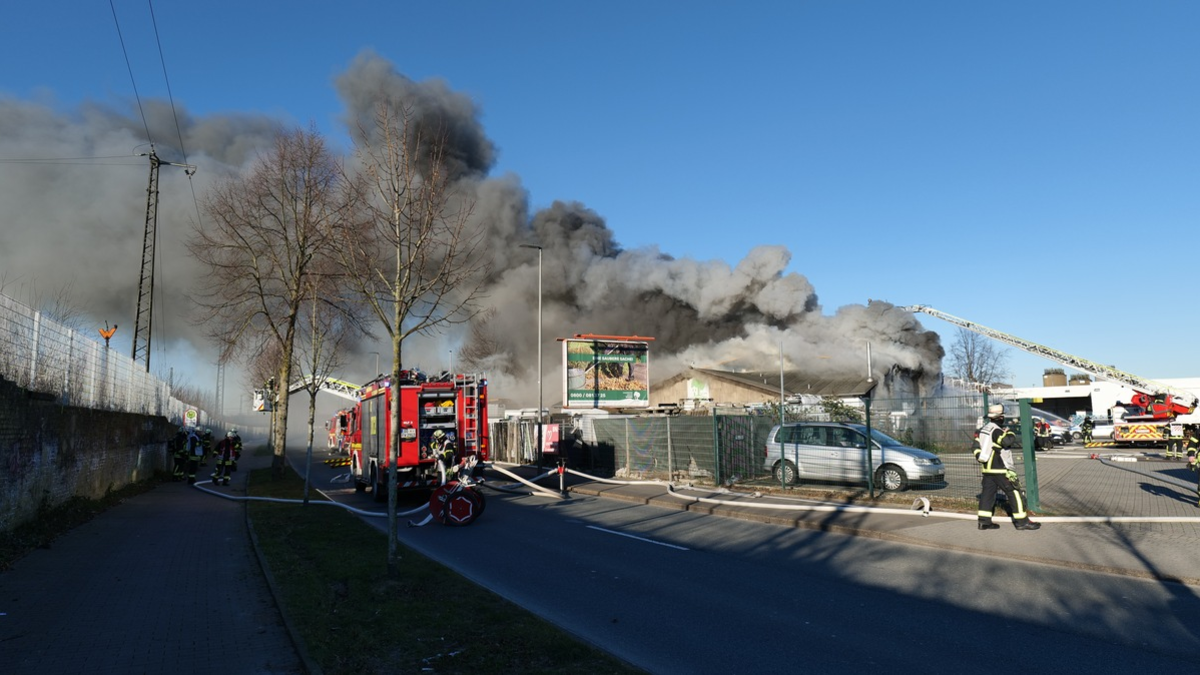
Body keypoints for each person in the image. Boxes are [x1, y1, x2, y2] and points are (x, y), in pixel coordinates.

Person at [975, 404, 1040, 531]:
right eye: (1003, 417)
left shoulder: (984, 429)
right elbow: (1007, 441)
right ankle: (1022, 522)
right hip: (1000, 468)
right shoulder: (996, 430)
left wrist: (979, 457)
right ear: (999, 418)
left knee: (987, 495)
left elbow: (976, 446)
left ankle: (984, 522)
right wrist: (1010, 431)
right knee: (1014, 493)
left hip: (987, 469)